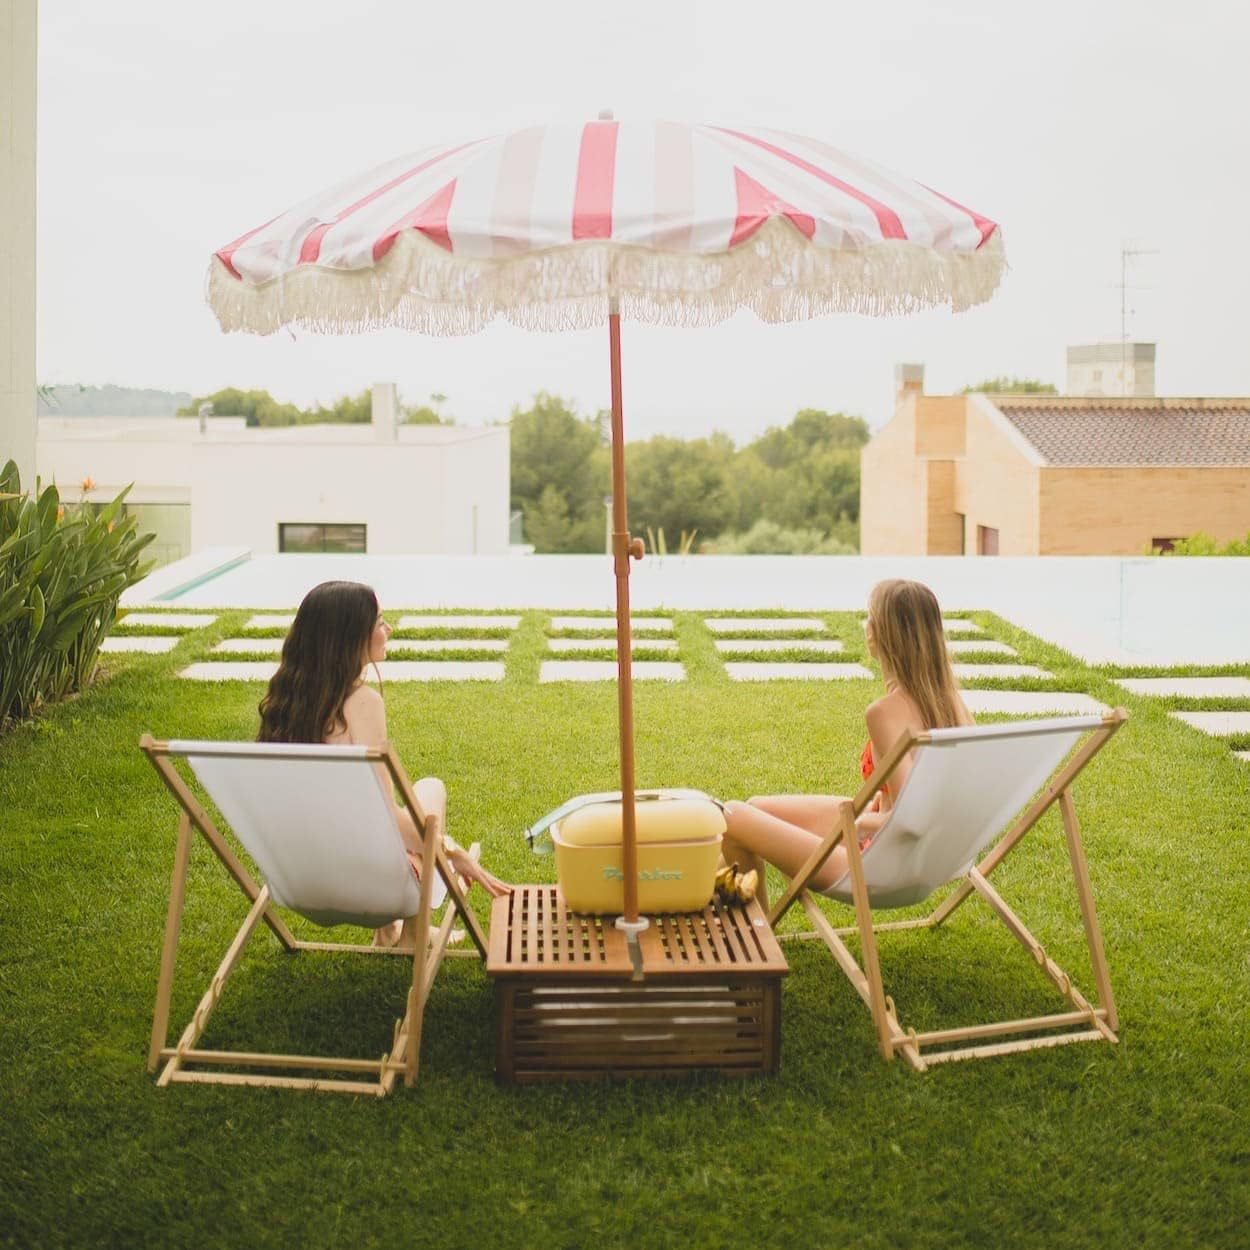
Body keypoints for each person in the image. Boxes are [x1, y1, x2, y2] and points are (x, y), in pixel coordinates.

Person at [257, 580, 510, 947]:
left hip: (300, 883)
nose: (387, 629)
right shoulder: (361, 703)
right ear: (351, 637)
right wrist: (451, 852)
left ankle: (389, 931)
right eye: (378, 621)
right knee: (429, 792)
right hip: (370, 890)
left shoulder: (285, 710)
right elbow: (386, 818)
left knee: (400, 808)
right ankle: (411, 934)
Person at [720, 579, 975, 910]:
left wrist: (857, 825)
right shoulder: (952, 702)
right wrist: (872, 812)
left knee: (731, 816)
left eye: (871, 618)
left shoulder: (885, 714)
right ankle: (757, 930)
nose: (867, 626)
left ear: (881, 634)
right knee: (755, 807)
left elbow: (912, 818)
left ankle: (756, 939)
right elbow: (944, 800)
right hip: (927, 860)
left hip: (876, 866)